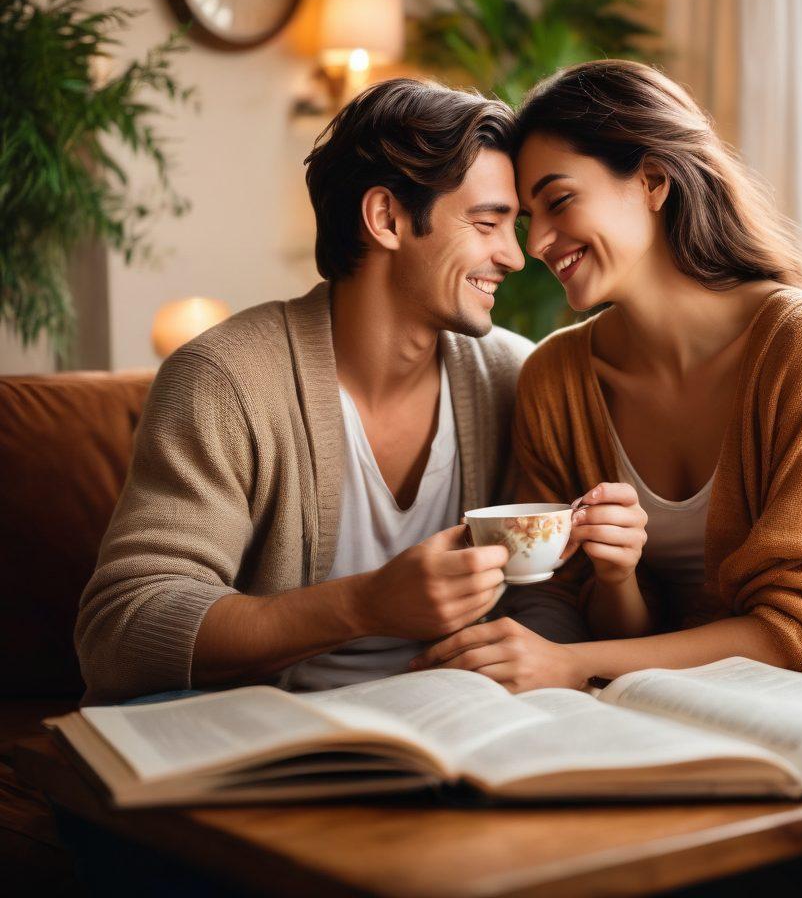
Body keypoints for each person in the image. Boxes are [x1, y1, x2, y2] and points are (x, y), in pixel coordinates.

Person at [411, 60, 802, 896]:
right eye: (523, 218)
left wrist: (574, 665)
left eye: (558, 202)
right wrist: (616, 581)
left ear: (653, 180)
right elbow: (597, 606)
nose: (536, 244)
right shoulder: (557, 378)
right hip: (708, 721)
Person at [74, 78, 582, 706]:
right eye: (486, 223)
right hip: (273, 736)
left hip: (460, 728)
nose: (514, 254)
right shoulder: (225, 380)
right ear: (387, 218)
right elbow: (123, 628)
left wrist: (519, 663)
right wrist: (366, 604)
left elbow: (547, 598)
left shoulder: (511, 374)